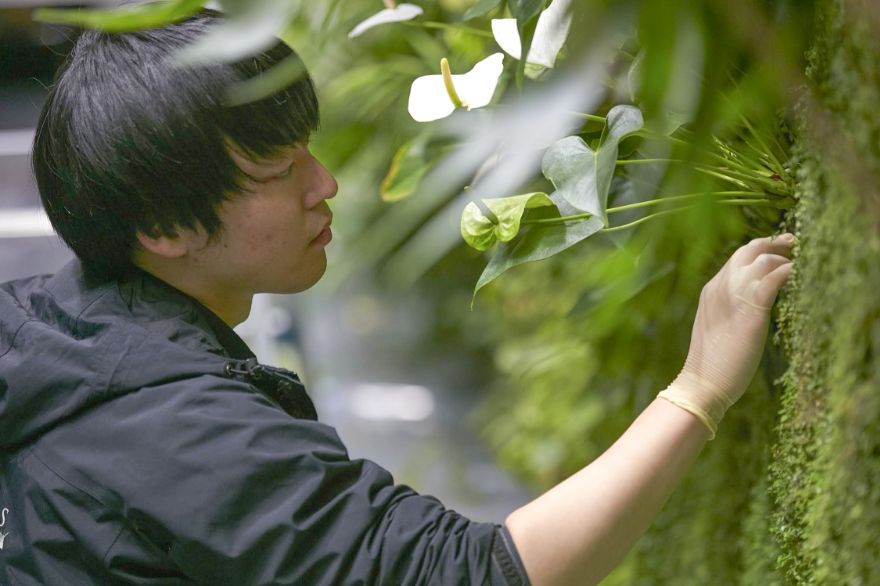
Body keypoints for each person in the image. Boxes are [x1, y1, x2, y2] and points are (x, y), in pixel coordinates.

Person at [0, 9, 795, 586]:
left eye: (308, 150)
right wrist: (698, 390)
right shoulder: (177, 433)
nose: (326, 185)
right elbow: (473, 576)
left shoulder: (47, 335)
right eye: (279, 172)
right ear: (165, 226)